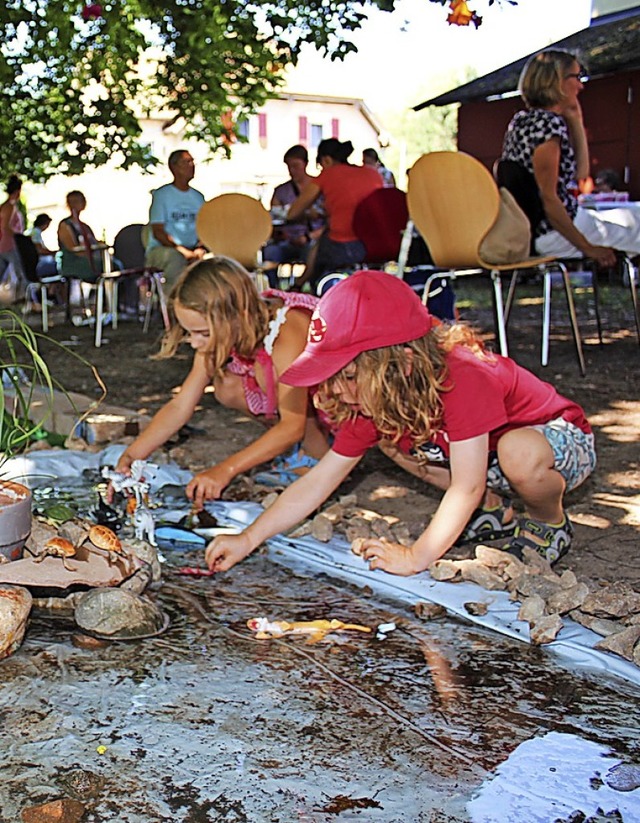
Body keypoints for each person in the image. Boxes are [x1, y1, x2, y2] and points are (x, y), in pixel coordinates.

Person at [205, 271, 596, 575]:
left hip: (557, 441)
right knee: (391, 440)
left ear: (401, 363)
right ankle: (494, 511)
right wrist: (248, 537)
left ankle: (547, 521)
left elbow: (467, 484)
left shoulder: (463, 376)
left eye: (347, 377)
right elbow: (321, 479)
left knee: (518, 452)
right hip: (482, 456)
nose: (337, 391)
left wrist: (416, 556)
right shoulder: (374, 397)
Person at [114, 256, 332, 506]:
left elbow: (293, 424)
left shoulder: (288, 330)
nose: (195, 343)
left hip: (336, 400)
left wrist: (225, 470)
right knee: (227, 386)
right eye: (190, 333)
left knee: (266, 377)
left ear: (237, 315)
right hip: (300, 403)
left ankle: (320, 459)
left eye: (203, 333)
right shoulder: (230, 328)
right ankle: (293, 451)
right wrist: (134, 454)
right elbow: (180, 405)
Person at [501, 49, 640, 264]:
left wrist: (576, 119)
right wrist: (587, 247)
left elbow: (581, 174)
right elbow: (549, 200)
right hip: (554, 232)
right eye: (577, 77)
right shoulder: (547, 125)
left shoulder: (522, 122)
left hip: (547, 229)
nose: (581, 85)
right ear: (557, 81)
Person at [287, 138, 383, 289]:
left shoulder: (328, 174)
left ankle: (301, 287)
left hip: (345, 245)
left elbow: (292, 213)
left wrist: (309, 214)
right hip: (377, 243)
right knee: (322, 237)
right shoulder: (372, 174)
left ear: (326, 160)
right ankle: (299, 284)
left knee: (318, 245)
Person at [262, 145, 326, 285]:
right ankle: (273, 290)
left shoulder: (321, 187)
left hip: (312, 240)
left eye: (296, 166)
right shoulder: (280, 191)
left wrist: (310, 236)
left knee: (318, 254)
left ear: (306, 164)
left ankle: (314, 290)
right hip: (287, 241)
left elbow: (330, 222)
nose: (292, 171)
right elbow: (274, 218)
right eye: (289, 166)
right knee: (270, 252)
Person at [145, 150, 206, 290]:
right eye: (187, 162)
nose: (192, 165)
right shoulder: (161, 195)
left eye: (193, 161)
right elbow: (158, 232)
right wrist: (182, 251)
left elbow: (205, 229)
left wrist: (199, 248)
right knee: (176, 259)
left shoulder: (198, 197)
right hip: (164, 250)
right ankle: (173, 304)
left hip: (193, 250)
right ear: (174, 167)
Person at [57, 190, 108, 282]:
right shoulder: (65, 225)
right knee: (102, 265)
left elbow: (94, 242)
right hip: (74, 263)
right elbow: (72, 248)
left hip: (89, 259)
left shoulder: (84, 226)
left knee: (113, 264)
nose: (75, 205)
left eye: (78, 201)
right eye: (72, 202)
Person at [0, 175, 27, 299]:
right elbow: (6, 226)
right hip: (10, 244)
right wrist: (20, 238)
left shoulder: (5, 206)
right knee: (22, 272)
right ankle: (21, 298)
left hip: (4, 244)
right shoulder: (9, 206)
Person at [28, 214, 59, 279]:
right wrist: (53, 253)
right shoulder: (36, 233)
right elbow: (40, 250)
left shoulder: (32, 231)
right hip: (39, 264)